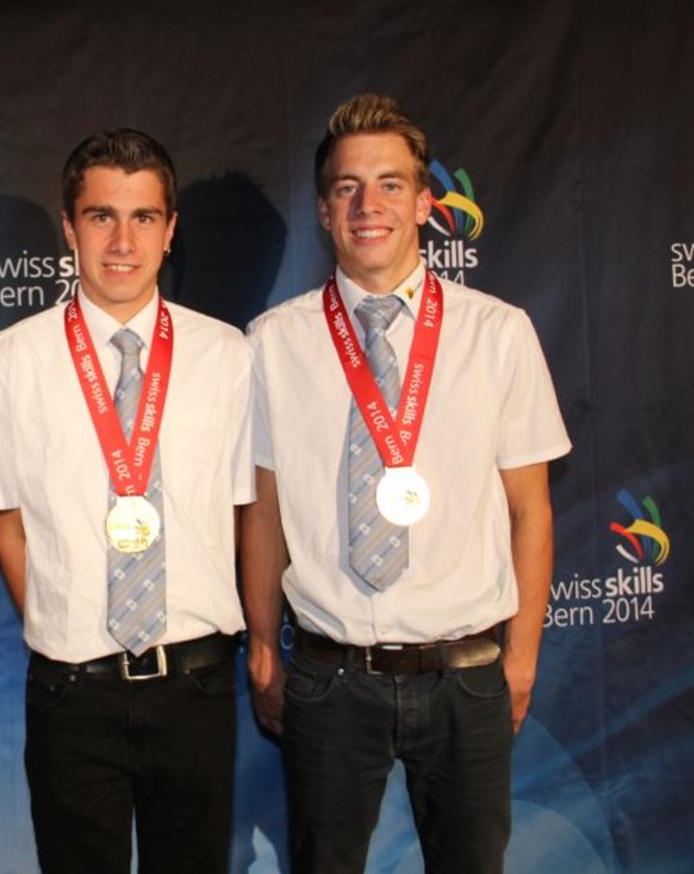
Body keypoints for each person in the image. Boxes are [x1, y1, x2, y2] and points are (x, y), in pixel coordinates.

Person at [241, 93, 570, 873]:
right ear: (324, 210)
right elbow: (263, 511)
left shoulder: (499, 332)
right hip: (329, 677)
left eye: (390, 184)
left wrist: (520, 659)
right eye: (349, 187)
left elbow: (531, 509)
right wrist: (262, 647)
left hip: (468, 678)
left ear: (426, 201)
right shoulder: (272, 342)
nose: (369, 205)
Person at [0, 129, 253, 873]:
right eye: (101, 216)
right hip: (73, 690)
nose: (122, 240)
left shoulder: (228, 355)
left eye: (143, 218)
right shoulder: (8, 362)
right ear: (70, 227)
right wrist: (67, 630)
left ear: (170, 230)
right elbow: (6, 522)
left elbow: (243, 512)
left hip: (194, 682)